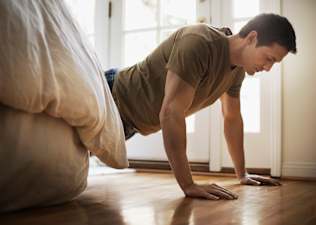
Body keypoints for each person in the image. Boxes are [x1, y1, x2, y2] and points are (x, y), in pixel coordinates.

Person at [105, 13, 297, 200]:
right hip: (111, 96)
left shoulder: (237, 71)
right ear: (252, 38)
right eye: (269, 58)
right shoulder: (198, 42)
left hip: (129, 124)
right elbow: (171, 112)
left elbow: (232, 118)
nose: (268, 68)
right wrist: (188, 185)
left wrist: (242, 174)